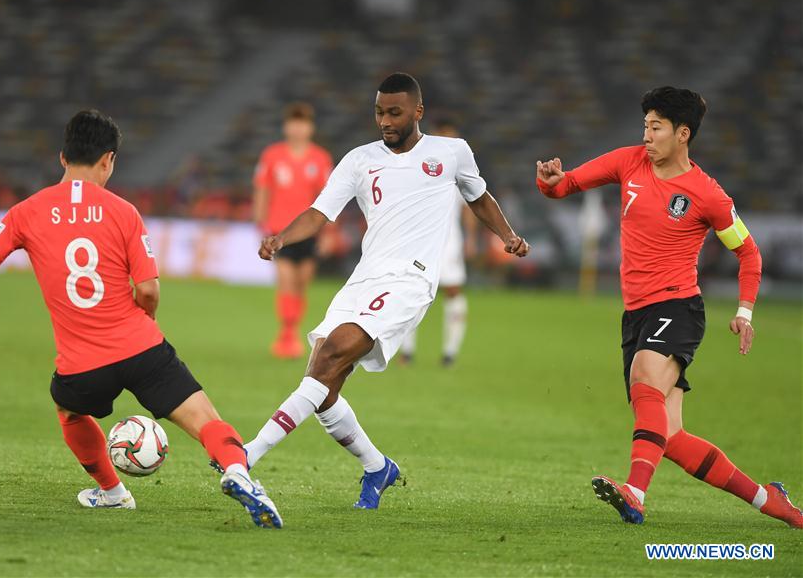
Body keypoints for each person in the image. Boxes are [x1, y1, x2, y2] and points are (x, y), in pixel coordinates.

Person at [0, 110, 283, 528]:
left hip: (82, 364)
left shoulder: (25, 212)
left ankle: (112, 493)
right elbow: (148, 289)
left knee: (68, 411)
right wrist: (146, 319)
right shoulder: (124, 212)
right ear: (108, 160)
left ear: (62, 157)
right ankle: (236, 471)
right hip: (142, 348)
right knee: (205, 419)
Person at [242, 73, 529, 509]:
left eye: (394, 112)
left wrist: (507, 236)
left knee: (332, 354)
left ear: (418, 112)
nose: (385, 121)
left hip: (410, 280)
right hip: (364, 278)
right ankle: (377, 467)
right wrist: (281, 237)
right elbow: (320, 212)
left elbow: (479, 197)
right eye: (379, 112)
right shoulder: (359, 160)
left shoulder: (451, 152)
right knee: (323, 384)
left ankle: (247, 455)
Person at [536, 86, 801, 528]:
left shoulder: (707, 194)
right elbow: (567, 185)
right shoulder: (629, 162)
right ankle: (769, 499)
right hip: (636, 314)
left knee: (645, 379)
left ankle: (635, 493)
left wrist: (745, 312)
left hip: (679, 306)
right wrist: (549, 181)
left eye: (655, 127)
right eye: (645, 126)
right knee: (671, 436)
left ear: (682, 134)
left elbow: (748, 253)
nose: (646, 135)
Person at [252, 102, 334, 359]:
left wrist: (329, 232)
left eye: (303, 123)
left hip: (309, 231)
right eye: (294, 123)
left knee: (301, 284)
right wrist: (260, 222)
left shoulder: (320, 159)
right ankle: (286, 335)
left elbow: (329, 197)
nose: (298, 128)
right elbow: (262, 189)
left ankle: (292, 331)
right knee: (286, 281)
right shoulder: (272, 156)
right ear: (286, 126)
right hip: (280, 231)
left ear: (310, 127)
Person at [399, 118, 479, 367]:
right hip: (419, 241)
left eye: (451, 137)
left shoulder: (460, 169)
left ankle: (450, 353)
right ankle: (406, 351)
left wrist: (471, 239)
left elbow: (469, 206)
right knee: (410, 291)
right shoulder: (417, 166)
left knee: (452, 291)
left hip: (449, 242)